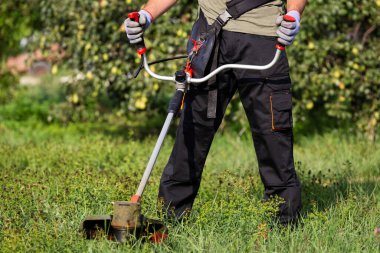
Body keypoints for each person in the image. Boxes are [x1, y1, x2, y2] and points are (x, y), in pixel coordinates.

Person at [125, 0, 307, 226]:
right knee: (193, 130)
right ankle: (171, 220)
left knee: (273, 133)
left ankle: (284, 224)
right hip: (210, 36)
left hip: (264, 39)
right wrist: (146, 14)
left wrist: (294, 14)